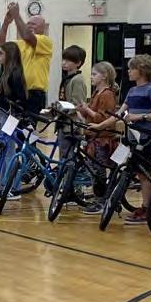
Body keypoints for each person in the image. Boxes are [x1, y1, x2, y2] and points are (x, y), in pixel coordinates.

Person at [95, 54, 151, 225]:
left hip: (145, 137)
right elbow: (119, 114)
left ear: (142, 71)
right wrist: (100, 126)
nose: (128, 71)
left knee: (143, 174)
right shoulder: (132, 91)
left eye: (132, 68)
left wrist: (140, 117)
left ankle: (147, 209)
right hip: (131, 137)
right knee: (121, 165)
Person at [0, 41, 27, 200]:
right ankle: (3, 186)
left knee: (9, 152)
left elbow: (19, 101)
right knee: (3, 151)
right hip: (3, 115)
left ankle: (13, 188)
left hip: (11, 117)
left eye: (1, 53)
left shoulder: (15, 74)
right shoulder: (4, 72)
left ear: (10, 55)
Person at [76, 61, 119, 214]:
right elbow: (91, 115)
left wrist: (87, 110)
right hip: (92, 136)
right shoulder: (96, 93)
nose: (91, 77)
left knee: (99, 172)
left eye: (94, 74)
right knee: (94, 170)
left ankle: (101, 202)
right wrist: (82, 110)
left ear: (104, 76)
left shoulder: (107, 94)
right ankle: (99, 198)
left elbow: (102, 118)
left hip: (102, 138)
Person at [0, 2, 53, 116]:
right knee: (13, 125)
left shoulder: (45, 41)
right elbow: (0, 44)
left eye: (34, 24)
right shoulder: (20, 43)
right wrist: (6, 22)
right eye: (28, 24)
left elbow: (27, 36)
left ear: (43, 27)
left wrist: (17, 15)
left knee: (26, 125)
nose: (29, 26)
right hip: (18, 92)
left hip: (33, 93)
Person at [55, 45, 87, 195]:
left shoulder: (77, 80)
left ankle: (73, 189)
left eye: (68, 61)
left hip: (72, 125)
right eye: (63, 60)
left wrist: (61, 109)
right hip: (64, 122)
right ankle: (67, 187)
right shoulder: (67, 78)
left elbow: (78, 105)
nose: (64, 63)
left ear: (78, 63)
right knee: (64, 156)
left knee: (69, 158)